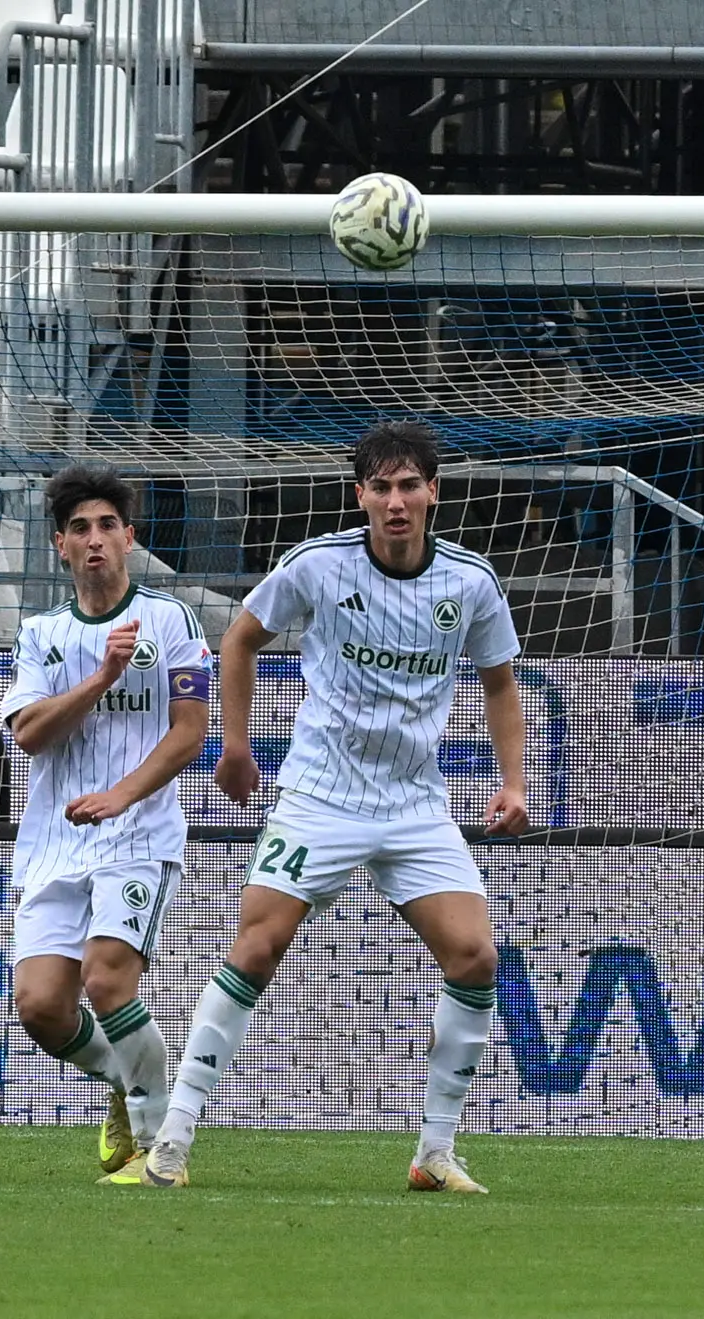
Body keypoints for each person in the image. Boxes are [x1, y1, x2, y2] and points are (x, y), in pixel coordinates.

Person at [122, 420, 527, 1194]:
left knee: (476, 955)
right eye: (382, 487)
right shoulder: (317, 565)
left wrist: (514, 781)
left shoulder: (471, 582)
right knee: (257, 946)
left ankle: (434, 1153)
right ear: (361, 496)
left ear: (433, 492)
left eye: (411, 485)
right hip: (320, 793)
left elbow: (501, 682)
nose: (397, 501)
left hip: (412, 800)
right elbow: (237, 640)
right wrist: (234, 745)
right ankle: (172, 1141)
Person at [0, 466, 211, 1177]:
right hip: (55, 841)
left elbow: (189, 732)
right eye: (80, 529)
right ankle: (125, 1082)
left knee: (108, 980)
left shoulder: (172, 620)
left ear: (130, 535)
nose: (96, 541)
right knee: (39, 1008)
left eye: (108, 526)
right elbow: (28, 734)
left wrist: (123, 794)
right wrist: (99, 678)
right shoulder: (40, 634)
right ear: (60, 545)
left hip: (138, 834)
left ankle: (158, 1144)